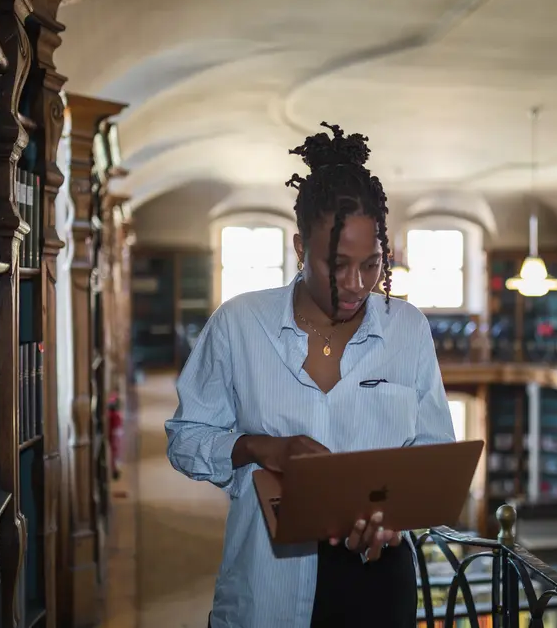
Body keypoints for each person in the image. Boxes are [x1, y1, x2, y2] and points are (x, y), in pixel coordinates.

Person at [165, 122, 456, 628]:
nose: (356, 284)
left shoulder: (407, 330)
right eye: (337, 264)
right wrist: (259, 447)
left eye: (372, 265)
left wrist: (393, 521)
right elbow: (185, 439)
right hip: (270, 583)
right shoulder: (238, 325)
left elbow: (431, 458)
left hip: (377, 582)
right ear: (300, 249)